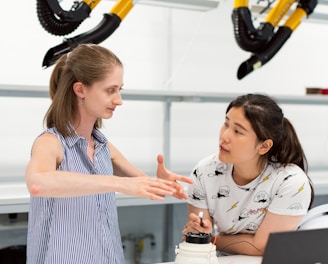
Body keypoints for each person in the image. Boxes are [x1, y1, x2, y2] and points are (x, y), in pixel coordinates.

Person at [25, 43, 192, 264]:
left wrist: (159, 182)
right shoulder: (51, 143)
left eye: (119, 89)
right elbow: (38, 183)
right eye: (110, 90)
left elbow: (139, 182)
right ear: (80, 90)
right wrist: (117, 183)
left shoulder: (103, 146)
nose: (119, 100)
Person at [183, 93, 313, 256]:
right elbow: (199, 234)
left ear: (264, 146)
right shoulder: (204, 171)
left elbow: (263, 247)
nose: (224, 136)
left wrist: (212, 239)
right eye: (226, 124)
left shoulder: (290, 181)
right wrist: (199, 230)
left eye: (238, 131)